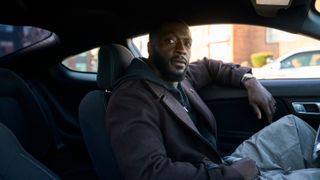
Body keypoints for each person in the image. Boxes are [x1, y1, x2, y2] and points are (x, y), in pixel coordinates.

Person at [106, 19, 320, 180]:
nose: (182, 50)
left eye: (187, 43)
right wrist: (230, 174)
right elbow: (150, 173)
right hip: (211, 174)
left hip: (219, 162)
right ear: (151, 49)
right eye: (170, 41)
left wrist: (249, 80)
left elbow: (210, 67)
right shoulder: (130, 99)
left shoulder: (176, 77)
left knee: (295, 128)